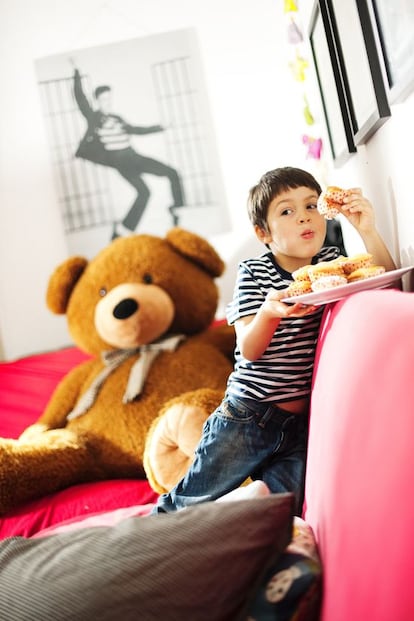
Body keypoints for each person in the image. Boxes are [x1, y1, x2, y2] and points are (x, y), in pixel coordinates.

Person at [152, 166, 396, 515]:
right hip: (248, 415)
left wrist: (367, 230)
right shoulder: (255, 272)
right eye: (287, 211)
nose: (304, 217)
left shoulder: (330, 265)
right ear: (263, 232)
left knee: (281, 512)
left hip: (299, 426)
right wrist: (269, 312)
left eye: (311, 205)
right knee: (190, 502)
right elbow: (249, 350)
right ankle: (148, 537)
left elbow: (386, 287)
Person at [72, 62, 186, 238]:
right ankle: (123, 230)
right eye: (104, 99)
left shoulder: (118, 118)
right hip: (121, 161)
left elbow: (136, 130)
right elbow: (81, 99)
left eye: (109, 99)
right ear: (97, 101)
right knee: (145, 193)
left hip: (134, 157)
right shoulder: (94, 118)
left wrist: (160, 127)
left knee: (172, 173)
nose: (108, 102)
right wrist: (76, 72)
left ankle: (177, 209)